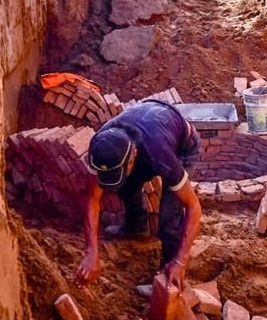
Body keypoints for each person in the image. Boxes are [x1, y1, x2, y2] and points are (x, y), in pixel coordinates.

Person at [75, 101, 203, 290]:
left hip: (181, 144)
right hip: (147, 124)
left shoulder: (158, 153)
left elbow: (194, 207)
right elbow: (93, 198)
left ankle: (167, 278)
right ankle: (135, 226)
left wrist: (181, 261)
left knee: (170, 213)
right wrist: (91, 251)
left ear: (133, 156)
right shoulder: (102, 145)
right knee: (125, 184)